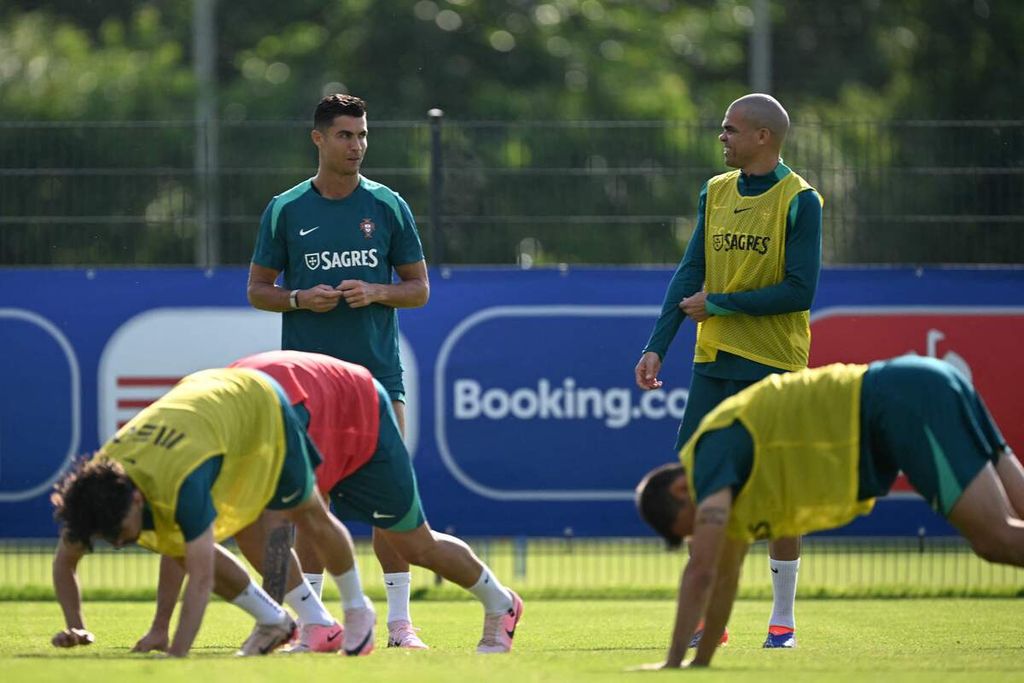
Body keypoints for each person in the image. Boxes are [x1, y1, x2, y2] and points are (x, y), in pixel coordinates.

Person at [634, 355, 1024, 669]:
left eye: (694, 524)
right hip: (922, 384)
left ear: (681, 488)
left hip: (903, 403)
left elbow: (702, 571)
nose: (703, 536)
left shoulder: (708, 454)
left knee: (996, 539)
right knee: (1012, 523)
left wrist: (671, 662)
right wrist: (698, 664)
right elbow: (724, 578)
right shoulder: (732, 487)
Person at [634, 93, 822, 649]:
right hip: (712, 363)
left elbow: (800, 290)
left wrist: (720, 305)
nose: (722, 137)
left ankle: (782, 622)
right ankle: (703, 622)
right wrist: (657, 344)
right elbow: (690, 269)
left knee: (777, 494)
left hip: (773, 366)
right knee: (698, 488)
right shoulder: (715, 191)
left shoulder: (801, 200)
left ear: (763, 136)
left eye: (730, 129)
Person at [247, 93, 431, 649]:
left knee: (392, 503)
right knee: (305, 505)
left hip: (378, 379)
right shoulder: (285, 208)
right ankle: (309, 623)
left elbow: (419, 289)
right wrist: (301, 300)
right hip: (307, 386)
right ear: (319, 139)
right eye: (346, 136)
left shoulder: (389, 205)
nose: (357, 146)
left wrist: (376, 290)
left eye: (363, 135)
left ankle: (400, 623)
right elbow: (258, 290)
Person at [50, 366, 376, 657]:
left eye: (118, 532)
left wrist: (177, 654)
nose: (117, 543)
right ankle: (274, 621)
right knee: (187, 543)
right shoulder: (93, 494)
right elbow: (65, 561)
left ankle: (357, 609)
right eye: (107, 536)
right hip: (206, 411)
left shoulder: (180, 482)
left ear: (136, 499)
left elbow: (200, 577)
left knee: (308, 514)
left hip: (259, 404)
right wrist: (77, 627)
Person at [229, 350, 524, 654]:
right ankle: (316, 622)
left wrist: (271, 614)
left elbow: (297, 515)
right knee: (255, 526)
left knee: (415, 545)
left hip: (364, 410)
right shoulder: (219, 417)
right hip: (311, 402)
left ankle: (501, 603)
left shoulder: (274, 417)